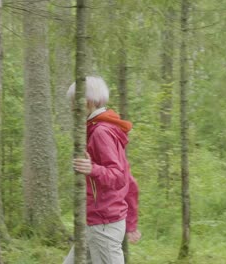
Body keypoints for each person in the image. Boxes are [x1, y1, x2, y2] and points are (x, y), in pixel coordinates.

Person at [63, 76, 141, 264]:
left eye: (74, 105)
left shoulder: (101, 132)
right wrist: (131, 224)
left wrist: (93, 169)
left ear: (88, 102)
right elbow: (131, 181)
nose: (72, 110)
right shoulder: (103, 129)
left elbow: (120, 177)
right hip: (96, 222)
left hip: (104, 224)